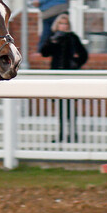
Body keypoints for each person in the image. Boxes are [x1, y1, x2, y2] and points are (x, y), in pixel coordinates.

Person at [39, 14, 87, 143]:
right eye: (61, 24)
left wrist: (76, 62)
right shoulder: (53, 37)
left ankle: (73, 134)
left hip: (70, 75)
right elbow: (44, 52)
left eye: (65, 24)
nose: (63, 26)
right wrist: (52, 41)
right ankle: (61, 134)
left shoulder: (73, 38)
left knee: (71, 108)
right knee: (60, 108)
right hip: (57, 76)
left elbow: (84, 54)